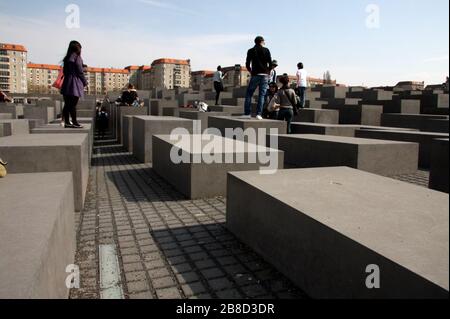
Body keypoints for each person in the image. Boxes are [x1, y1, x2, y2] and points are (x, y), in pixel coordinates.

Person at [243, 36, 273, 120]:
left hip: (255, 74)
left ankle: (247, 113)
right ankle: (259, 114)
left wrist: (251, 71)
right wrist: (268, 71)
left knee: (249, 94)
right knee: (262, 95)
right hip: (264, 75)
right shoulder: (266, 50)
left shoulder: (250, 51)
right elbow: (270, 63)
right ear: (262, 41)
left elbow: (247, 63)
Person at [61, 40, 88, 128]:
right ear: (78, 49)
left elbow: (64, 72)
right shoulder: (77, 58)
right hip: (75, 83)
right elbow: (80, 72)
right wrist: (85, 82)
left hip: (67, 82)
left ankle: (67, 122)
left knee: (67, 104)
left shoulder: (67, 58)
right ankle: (75, 122)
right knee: (73, 104)